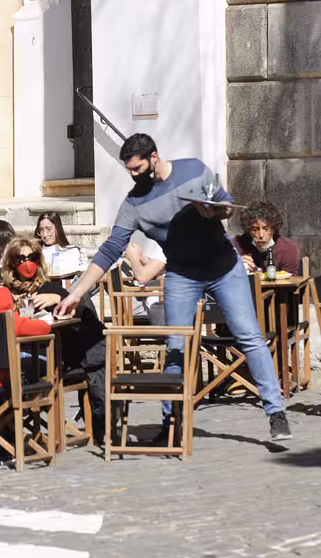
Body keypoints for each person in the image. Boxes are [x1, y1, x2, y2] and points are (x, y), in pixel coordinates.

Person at [55, 133, 291, 442]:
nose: (134, 176)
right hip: (181, 275)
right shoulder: (134, 203)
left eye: (138, 169)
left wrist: (214, 212)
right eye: (129, 170)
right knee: (176, 346)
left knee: (249, 336)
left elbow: (227, 205)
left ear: (154, 157)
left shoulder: (192, 169)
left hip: (224, 267)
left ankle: (276, 413)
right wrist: (76, 292)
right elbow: (111, 249)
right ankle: (171, 424)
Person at [5, 236, 108, 441]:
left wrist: (59, 300)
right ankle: (0, 439)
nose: (27, 263)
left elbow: (86, 318)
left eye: (32, 257)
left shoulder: (50, 289)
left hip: (50, 358)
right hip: (11, 356)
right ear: (11, 264)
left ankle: (5, 437)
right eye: (20, 259)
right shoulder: (4, 292)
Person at [232, 201, 301, 275]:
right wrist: (236, 264)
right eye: (255, 229)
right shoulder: (238, 245)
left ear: (274, 228)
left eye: (266, 228)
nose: (261, 235)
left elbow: (290, 282)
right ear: (248, 230)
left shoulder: (287, 249)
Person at [37, 212, 87, 276]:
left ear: (58, 228)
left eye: (49, 229)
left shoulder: (72, 251)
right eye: (41, 230)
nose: (44, 234)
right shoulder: (36, 253)